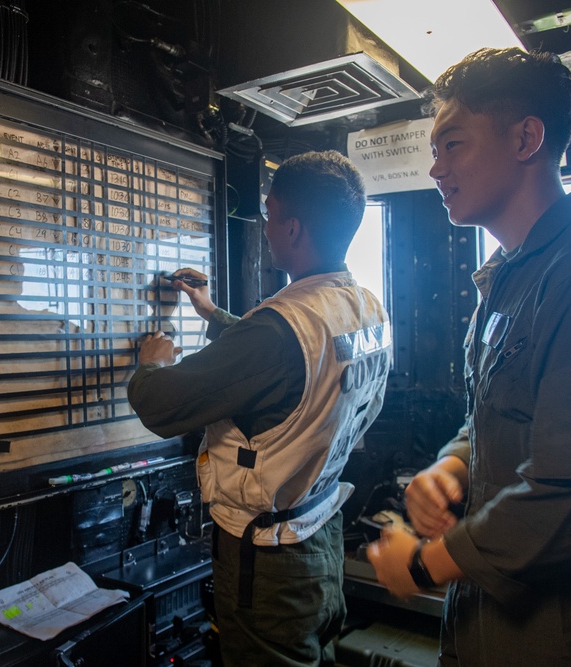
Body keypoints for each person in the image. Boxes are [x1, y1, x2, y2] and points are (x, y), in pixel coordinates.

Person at [366, 48, 571, 665]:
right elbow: (504, 416)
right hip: (492, 621)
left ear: (527, 138)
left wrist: (425, 565)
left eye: (452, 145)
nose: (435, 168)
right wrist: (452, 467)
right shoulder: (511, 278)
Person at [128, 150, 392, 667]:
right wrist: (210, 313)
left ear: (293, 228)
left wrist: (151, 366)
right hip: (320, 534)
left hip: (268, 562)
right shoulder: (364, 307)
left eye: (271, 214)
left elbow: (161, 406)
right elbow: (295, 368)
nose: (266, 226)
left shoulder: (279, 329)